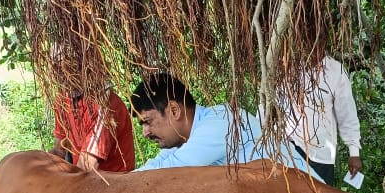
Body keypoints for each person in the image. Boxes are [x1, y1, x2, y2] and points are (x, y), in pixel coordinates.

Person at [130, 72, 319, 180]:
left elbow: (168, 170)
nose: (145, 133)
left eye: (147, 121)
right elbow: (156, 164)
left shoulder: (219, 122)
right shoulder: (189, 138)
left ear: (174, 110)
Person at [284, 55, 361, 186]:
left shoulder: (336, 71)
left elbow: (347, 114)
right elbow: (273, 103)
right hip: (289, 148)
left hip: (320, 155)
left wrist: (354, 152)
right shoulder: (288, 66)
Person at [52, 88, 136, 172]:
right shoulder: (63, 99)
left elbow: (86, 167)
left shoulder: (104, 104)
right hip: (83, 179)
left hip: (113, 182)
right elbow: (59, 150)